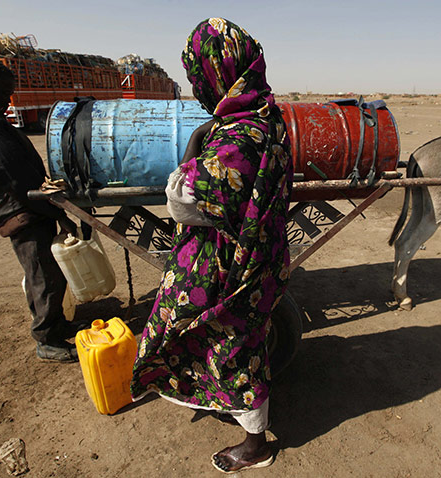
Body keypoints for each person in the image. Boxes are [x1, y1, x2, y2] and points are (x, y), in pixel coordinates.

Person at [130, 18, 293, 473]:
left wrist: (191, 158)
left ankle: (256, 445)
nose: (197, 86)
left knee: (234, 347)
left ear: (217, 73)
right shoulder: (267, 116)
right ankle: (228, 404)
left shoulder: (237, 136)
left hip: (232, 266)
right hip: (261, 253)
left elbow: (181, 202)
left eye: (198, 76)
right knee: (237, 340)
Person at [0, 58, 80, 363]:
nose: (8, 99)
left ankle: (57, 324)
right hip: (18, 210)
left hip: (25, 205)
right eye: (2, 92)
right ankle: (47, 339)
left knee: (49, 271)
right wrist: (56, 210)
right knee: (43, 275)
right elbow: (14, 178)